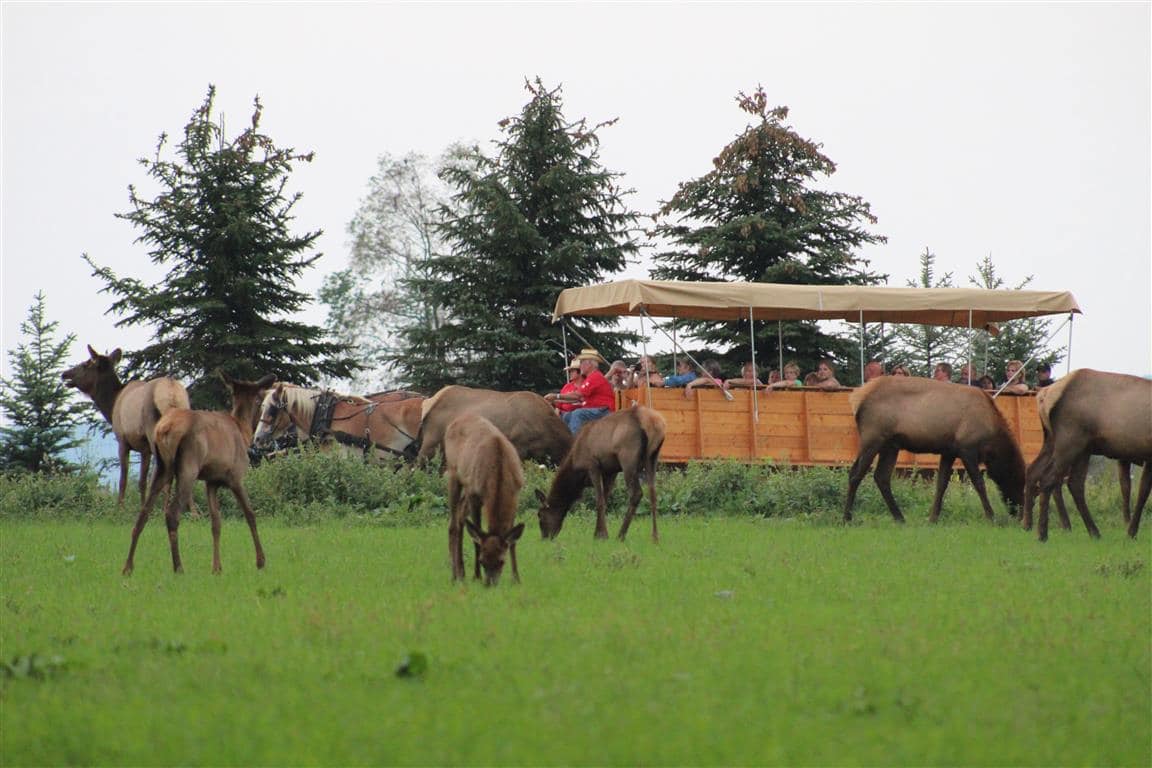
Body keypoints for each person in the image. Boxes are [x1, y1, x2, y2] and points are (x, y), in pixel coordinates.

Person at [549, 348, 616, 434]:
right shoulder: (592, 377)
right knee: (567, 416)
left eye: (581, 362)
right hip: (596, 409)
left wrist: (556, 396)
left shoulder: (594, 377)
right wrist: (555, 399)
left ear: (589, 364)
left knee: (578, 414)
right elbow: (577, 397)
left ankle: (574, 443)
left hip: (603, 410)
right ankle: (564, 441)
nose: (580, 366)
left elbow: (577, 396)